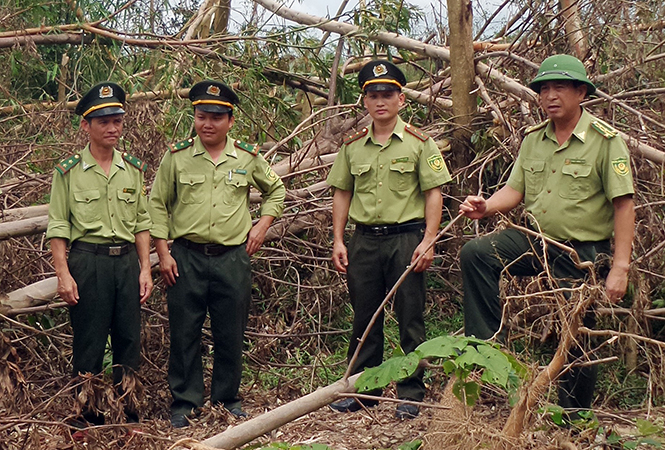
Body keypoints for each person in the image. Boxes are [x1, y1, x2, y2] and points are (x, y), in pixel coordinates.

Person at [459, 54, 635, 417]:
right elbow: (515, 190)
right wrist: (486, 207)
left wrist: (620, 267)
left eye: (559, 88)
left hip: (583, 252)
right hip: (535, 241)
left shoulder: (605, 141)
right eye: (544, 89)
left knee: (577, 334)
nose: (550, 96)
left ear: (581, 93)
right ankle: (488, 349)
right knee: (477, 253)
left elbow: (623, 205)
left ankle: (573, 417)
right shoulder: (534, 140)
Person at [149, 80, 286, 428]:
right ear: (194, 117)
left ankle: (227, 398)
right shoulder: (176, 157)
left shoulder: (247, 157)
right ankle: (185, 402)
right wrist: (163, 253)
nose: (207, 123)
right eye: (201, 115)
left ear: (230, 119)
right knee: (184, 331)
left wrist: (261, 226)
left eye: (215, 117)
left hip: (231, 258)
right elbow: (157, 204)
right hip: (185, 257)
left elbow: (276, 190)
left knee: (230, 331)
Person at [327, 60, 452, 419]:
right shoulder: (353, 147)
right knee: (365, 318)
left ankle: (411, 392)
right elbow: (341, 193)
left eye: (387, 94)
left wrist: (429, 239)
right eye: (373, 95)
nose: (380, 101)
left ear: (401, 99)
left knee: (410, 318)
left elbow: (434, 193)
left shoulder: (418, 144)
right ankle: (364, 391)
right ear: (364, 101)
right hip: (364, 241)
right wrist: (338, 239)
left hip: (405, 239)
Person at [46, 82, 153, 425]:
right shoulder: (68, 172)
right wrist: (63, 274)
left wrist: (145, 269)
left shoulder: (132, 170)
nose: (112, 128)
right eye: (104, 121)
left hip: (124, 264)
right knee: (89, 339)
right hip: (87, 262)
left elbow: (141, 223)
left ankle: (129, 408)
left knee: (128, 338)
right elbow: (59, 227)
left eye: (117, 120)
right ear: (86, 126)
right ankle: (88, 412)